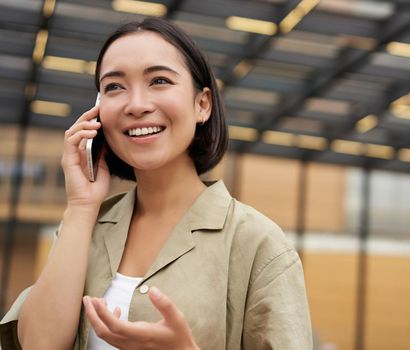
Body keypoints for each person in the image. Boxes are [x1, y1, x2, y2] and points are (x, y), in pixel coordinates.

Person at [0, 18, 312, 349]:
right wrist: (80, 206)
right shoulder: (85, 226)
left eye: (159, 80)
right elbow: (38, 344)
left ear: (202, 104)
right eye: (114, 87)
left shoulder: (257, 244)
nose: (136, 105)